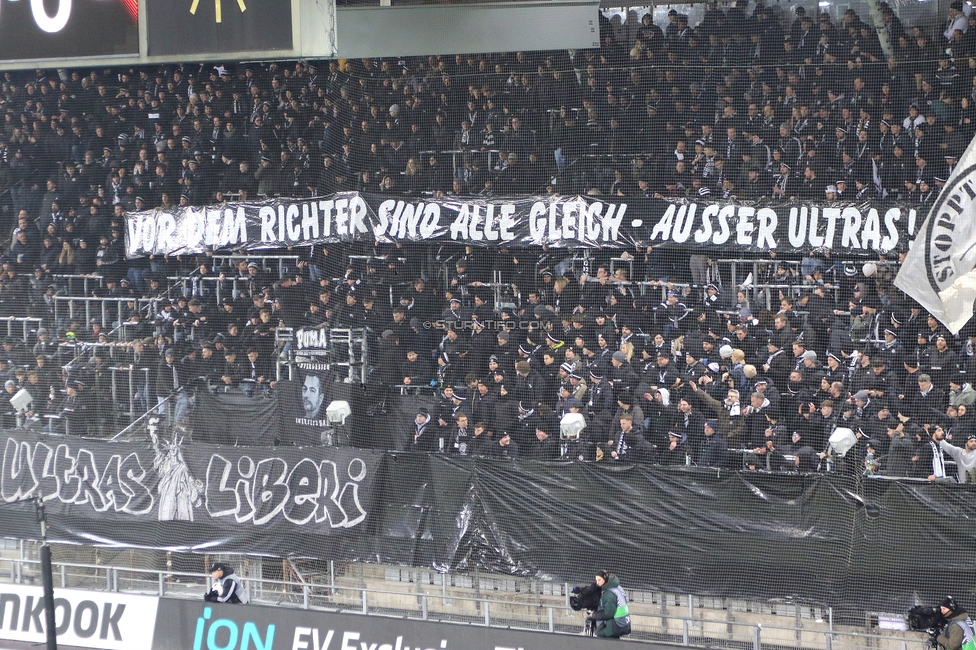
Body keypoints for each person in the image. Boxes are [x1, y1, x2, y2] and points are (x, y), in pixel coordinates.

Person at [587, 570, 631, 639]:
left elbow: (609, 613)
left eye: (599, 580)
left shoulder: (609, 593)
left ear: (605, 579)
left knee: (600, 634)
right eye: (596, 580)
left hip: (616, 623)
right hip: (624, 622)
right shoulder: (617, 587)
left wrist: (594, 615)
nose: (597, 583)